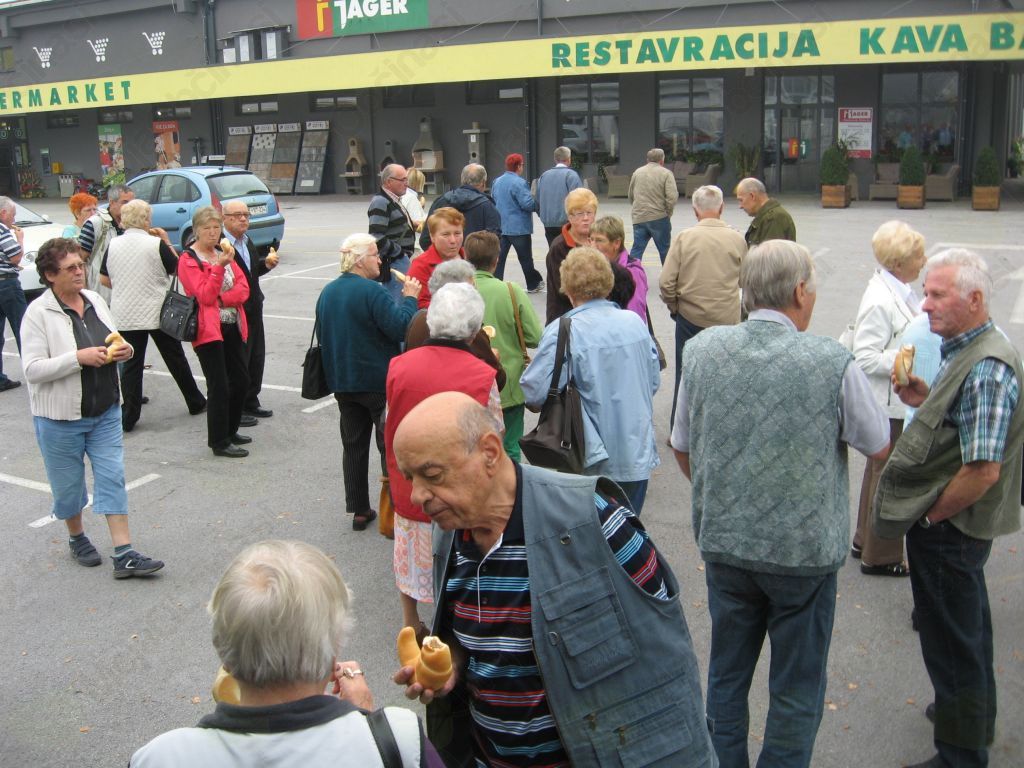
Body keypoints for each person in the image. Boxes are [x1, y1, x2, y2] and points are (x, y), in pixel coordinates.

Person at [392, 392, 715, 768]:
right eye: (410, 478)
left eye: (432, 475)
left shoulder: (593, 520)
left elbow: (664, 642)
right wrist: (450, 666)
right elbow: (474, 640)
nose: (417, 496)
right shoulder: (449, 535)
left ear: (490, 453)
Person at [672, 239, 889, 768]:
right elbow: (879, 443)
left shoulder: (702, 351)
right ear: (799, 291)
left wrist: (725, 492)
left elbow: (682, 445)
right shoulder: (830, 361)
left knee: (726, 676)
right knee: (796, 686)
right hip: (802, 553)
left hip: (727, 546)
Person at [875, 249, 1024, 768]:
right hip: (953, 524)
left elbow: (983, 470)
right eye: (926, 293)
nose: (925, 305)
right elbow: (963, 429)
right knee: (966, 630)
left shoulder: (986, 367)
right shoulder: (969, 348)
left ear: (975, 299)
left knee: (952, 641)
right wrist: (925, 398)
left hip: (952, 526)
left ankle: (961, 754)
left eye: (938, 295)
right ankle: (970, 716)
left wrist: (932, 517)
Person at [130, 540, 440, 767]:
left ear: (224, 652)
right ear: (333, 649)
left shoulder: (159, 758)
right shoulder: (397, 741)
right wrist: (367, 723)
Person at [20, 237, 164, 578]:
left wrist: (126, 350)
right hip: (60, 419)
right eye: (70, 268)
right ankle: (77, 536)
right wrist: (77, 358)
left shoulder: (95, 300)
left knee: (113, 477)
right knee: (69, 487)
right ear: (50, 275)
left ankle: (124, 554)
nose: (79, 272)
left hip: (105, 411)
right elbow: (32, 370)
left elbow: (114, 338)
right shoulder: (38, 313)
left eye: (81, 265)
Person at [386, 284, 503, 634]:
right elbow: (493, 433)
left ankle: (410, 621)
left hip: (411, 481)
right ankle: (454, 626)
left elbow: (391, 418)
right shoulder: (481, 375)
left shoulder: (399, 366)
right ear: (474, 329)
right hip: (458, 488)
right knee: (457, 560)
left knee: (410, 552)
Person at [523, 246, 660, 514]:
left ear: (568, 289)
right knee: (628, 531)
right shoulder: (635, 323)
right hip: (636, 452)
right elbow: (653, 381)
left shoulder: (563, 330)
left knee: (588, 533)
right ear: (608, 283)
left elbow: (534, 392)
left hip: (585, 456)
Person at [316, 233, 422, 531]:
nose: (380, 259)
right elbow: (401, 328)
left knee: (353, 445)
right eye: (375, 254)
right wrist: (410, 297)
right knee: (388, 445)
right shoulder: (372, 291)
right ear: (360, 260)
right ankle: (394, 507)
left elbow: (324, 333)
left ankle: (359, 509)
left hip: (343, 380)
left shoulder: (328, 291)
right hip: (376, 381)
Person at [849, 220, 926, 577]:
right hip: (888, 403)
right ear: (898, 262)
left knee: (879, 470)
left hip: (892, 402)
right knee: (889, 476)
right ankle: (880, 556)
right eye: (918, 255)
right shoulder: (881, 299)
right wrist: (905, 360)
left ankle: (864, 540)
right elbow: (864, 355)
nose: (923, 261)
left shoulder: (898, 289)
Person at [100, 199, 206, 432]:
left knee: (131, 365)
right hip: (157, 310)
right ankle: (195, 400)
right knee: (175, 358)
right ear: (146, 219)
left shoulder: (114, 244)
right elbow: (178, 269)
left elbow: (104, 279)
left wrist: (125, 286)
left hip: (125, 310)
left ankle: (129, 416)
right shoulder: (155, 244)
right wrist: (166, 241)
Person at [659, 184, 747, 424]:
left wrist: (675, 307)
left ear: (695, 210)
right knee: (725, 374)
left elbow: (666, 283)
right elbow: (744, 280)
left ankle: (679, 429)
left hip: (690, 316)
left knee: (685, 374)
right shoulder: (737, 239)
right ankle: (723, 426)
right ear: (722, 208)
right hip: (727, 318)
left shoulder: (684, 238)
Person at [177, 206, 252, 459]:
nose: (212, 232)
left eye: (216, 227)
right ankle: (219, 440)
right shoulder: (188, 259)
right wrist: (219, 268)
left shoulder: (222, 251)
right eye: (206, 228)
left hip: (232, 324)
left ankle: (231, 429)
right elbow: (205, 295)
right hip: (208, 330)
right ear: (196, 231)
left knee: (241, 379)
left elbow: (244, 288)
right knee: (218, 385)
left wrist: (223, 299)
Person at [464, 231, 542, 460]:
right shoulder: (511, 291)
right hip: (508, 383)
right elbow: (535, 336)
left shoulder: (458, 292)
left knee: (473, 448)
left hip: (469, 385)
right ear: (496, 260)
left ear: (466, 257)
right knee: (510, 448)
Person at [403, 258, 504, 389]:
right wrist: (495, 358)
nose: (475, 292)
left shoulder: (418, 318)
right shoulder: (467, 327)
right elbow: (497, 379)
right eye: (471, 288)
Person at [223, 199, 280, 420]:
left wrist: (265, 265)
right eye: (237, 215)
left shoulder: (246, 241)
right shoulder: (221, 245)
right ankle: (236, 408)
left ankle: (250, 400)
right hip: (235, 310)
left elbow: (250, 273)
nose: (243, 219)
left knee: (256, 357)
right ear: (225, 219)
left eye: (246, 215)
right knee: (238, 360)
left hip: (254, 305)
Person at [490, 153, 544, 292]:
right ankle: (532, 284)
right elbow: (527, 204)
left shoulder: (497, 181)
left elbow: (493, 199)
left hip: (501, 226)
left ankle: (496, 285)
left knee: (499, 259)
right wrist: (536, 203)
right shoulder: (519, 183)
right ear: (519, 166)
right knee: (525, 259)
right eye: (522, 165)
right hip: (519, 228)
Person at [544, 187, 597, 323]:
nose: (585, 218)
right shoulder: (559, 247)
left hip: (594, 315)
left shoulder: (599, 240)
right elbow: (563, 289)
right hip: (566, 317)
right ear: (570, 217)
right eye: (579, 214)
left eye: (589, 213)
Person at [419, 163, 500, 251]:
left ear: (462, 180)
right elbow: (494, 241)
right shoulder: (488, 206)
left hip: (444, 258)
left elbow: (425, 239)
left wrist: (441, 255)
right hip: (476, 258)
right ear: (483, 183)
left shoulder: (441, 201)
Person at [368, 164, 416, 304]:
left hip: (398, 260)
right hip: (395, 262)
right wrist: (400, 253)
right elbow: (376, 237)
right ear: (389, 182)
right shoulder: (381, 202)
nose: (406, 183)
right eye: (402, 180)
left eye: (406, 179)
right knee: (398, 302)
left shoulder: (391, 200)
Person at [79, 184, 135, 304]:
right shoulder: (95, 223)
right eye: (125, 202)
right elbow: (81, 259)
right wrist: (83, 293)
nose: (129, 207)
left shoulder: (132, 225)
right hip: (100, 292)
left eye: (132, 203)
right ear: (112, 202)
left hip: (126, 292)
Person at [590, 215, 647, 321]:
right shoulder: (596, 268)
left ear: (616, 243)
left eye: (599, 240)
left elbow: (635, 314)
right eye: (591, 240)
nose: (593, 246)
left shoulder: (632, 273)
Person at [406, 207, 464, 309]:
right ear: (432, 237)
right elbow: (419, 306)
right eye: (445, 234)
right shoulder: (421, 266)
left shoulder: (468, 257)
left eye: (457, 233)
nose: (453, 240)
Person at [627, 147, 678, 264]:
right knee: (665, 251)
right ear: (662, 160)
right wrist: (668, 213)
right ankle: (668, 274)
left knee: (637, 250)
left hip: (639, 217)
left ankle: (632, 273)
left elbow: (630, 195)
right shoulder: (666, 173)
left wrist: (638, 208)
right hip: (659, 217)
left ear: (647, 160)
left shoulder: (637, 172)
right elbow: (672, 197)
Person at [0, 196, 26, 393]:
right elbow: (16, 257)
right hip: (7, 284)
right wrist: (20, 239)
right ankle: (36, 372)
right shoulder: (2, 231)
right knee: (23, 329)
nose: (13, 220)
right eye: (13, 215)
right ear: (3, 213)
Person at [536, 145, 582, 246]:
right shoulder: (571, 175)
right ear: (569, 159)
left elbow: (537, 200)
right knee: (569, 252)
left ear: (555, 159)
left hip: (548, 223)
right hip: (567, 222)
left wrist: (543, 216)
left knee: (554, 251)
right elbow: (579, 200)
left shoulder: (544, 176)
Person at [736, 177, 796, 246]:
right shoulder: (767, 217)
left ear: (752, 196)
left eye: (741, 200)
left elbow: (771, 252)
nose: (740, 206)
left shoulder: (773, 219)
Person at [400, 166, 427, 243]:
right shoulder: (411, 198)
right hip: (410, 240)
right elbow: (418, 225)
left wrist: (419, 206)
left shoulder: (402, 194)